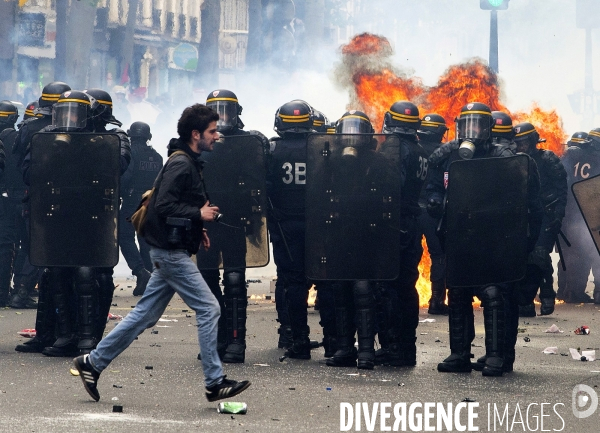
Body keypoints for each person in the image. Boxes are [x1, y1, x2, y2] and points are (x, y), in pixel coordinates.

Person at [73, 103, 251, 403]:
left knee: (145, 314)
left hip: (170, 249)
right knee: (210, 308)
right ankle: (214, 381)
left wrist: (197, 227)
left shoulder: (187, 161)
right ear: (196, 134)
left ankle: (92, 363)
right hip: (170, 254)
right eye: (211, 131)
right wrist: (199, 214)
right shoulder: (181, 163)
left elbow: (174, 205)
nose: (216, 136)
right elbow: (164, 205)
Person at [426, 102, 542, 377]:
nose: (472, 131)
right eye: (467, 125)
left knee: (493, 293)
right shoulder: (448, 155)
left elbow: (528, 200)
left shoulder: (504, 156)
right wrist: (434, 199)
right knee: (458, 291)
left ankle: (495, 355)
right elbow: (433, 184)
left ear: (488, 128)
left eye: (477, 124)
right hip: (459, 234)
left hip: (493, 237)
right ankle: (459, 354)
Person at [197, 89, 269, 363]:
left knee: (235, 280)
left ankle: (236, 342)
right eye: (216, 111)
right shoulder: (197, 141)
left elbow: (260, 182)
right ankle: (217, 338)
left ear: (237, 113)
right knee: (205, 280)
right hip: (205, 222)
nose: (221, 117)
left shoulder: (249, 141)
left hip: (236, 220)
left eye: (226, 111)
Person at [14, 82, 72, 354]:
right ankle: (54, 332)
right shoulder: (71, 131)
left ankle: (50, 332)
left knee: (46, 265)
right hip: (63, 206)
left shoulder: (30, 128)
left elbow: (22, 169)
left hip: (37, 202)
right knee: (54, 270)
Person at [374, 101, 427, 367]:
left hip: (392, 225)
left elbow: (388, 186)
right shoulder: (419, 149)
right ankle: (407, 347)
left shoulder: (394, 148)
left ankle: (392, 346)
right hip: (412, 225)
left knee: (388, 287)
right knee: (407, 286)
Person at [267, 99, 314, 359]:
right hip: (318, 225)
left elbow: (264, 187)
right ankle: (336, 341)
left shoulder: (272, 149)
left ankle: (298, 338)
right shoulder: (320, 148)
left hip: (285, 227)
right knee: (328, 282)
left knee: (291, 283)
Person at [511, 122, 567, 316]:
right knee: (523, 257)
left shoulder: (547, 159)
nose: (521, 146)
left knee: (540, 255)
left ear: (533, 141)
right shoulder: (511, 161)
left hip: (546, 215)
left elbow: (562, 190)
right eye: (517, 142)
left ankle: (547, 296)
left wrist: (558, 215)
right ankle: (525, 301)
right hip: (523, 217)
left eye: (524, 142)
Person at [119, 121, 162, 296]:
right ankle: (150, 280)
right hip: (151, 201)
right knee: (145, 241)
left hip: (132, 200)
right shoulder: (157, 157)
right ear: (147, 137)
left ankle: (140, 272)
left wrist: (118, 192)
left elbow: (125, 178)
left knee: (124, 236)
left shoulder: (130, 154)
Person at [558, 130, 600, 304]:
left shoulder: (570, 155)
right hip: (592, 215)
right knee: (595, 254)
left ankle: (569, 292)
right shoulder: (597, 159)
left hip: (569, 215)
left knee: (572, 255)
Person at [416, 113, 449, 315]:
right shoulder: (444, 153)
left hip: (410, 212)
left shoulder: (409, 150)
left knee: (408, 254)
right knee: (439, 255)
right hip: (434, 212)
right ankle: (436, 299)